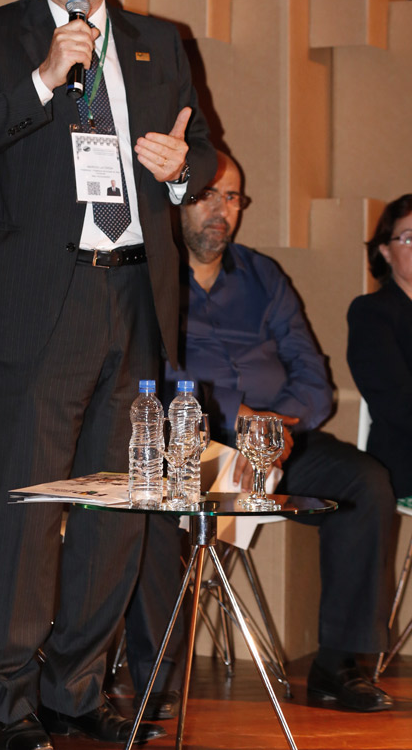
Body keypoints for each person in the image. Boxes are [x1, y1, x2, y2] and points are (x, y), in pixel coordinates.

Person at [0, 0, 216, 750]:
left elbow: (203, 153)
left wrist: (180, 169)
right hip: (44, 302)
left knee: (116, 509)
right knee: (28, 509)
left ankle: (75, 688)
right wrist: (44, 77)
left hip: (135, 294)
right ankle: (10, 703)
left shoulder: (160, 41)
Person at [124, 151, 396, 716]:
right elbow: (145, 371)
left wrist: (270, 427)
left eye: (233, 198)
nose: (222, 210)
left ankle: (338, 666)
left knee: (364, 483)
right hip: (189, 442)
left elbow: (313, 379)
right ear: (177, 201)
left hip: (277, 442)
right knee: (156, 507)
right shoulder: (148, 275)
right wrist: (234, 415)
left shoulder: (263, 275)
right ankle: (156, 676)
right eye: (207, 195)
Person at [347, 194, 412, 500]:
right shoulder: (372, 312)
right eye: (409, 238)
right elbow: (397, 403)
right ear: (385, 251)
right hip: (404, 455)